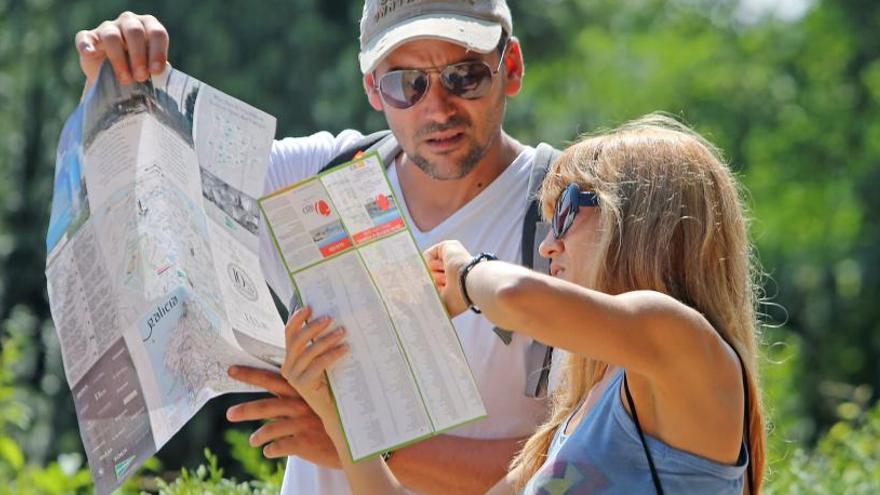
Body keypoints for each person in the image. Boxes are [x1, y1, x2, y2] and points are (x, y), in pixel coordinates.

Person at [75, 2, 556, 494]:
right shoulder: (318, 179)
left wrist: (348, 440)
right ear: (372, 86)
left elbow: (572, 461)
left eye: (464, 76)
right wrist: (117, 80)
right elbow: (147, 173)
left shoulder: (565, 222)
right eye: (407, 84)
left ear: (511, 67)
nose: (437, 108)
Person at [281, 114, 768, 494]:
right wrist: (338, 413)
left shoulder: (682, 339)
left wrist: (465, 270)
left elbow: (515, 297)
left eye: (568, 212)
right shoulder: (585, 406)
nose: (548, 245)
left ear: (646, 222)